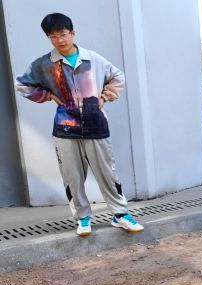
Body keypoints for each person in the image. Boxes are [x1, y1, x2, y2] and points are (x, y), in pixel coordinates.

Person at [15, 13, 143, 237]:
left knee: (107, 172)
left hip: (96, 124)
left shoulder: (93, 59)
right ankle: (83, 218)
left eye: (63, 34)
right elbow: (22, 84)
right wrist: (47, 95)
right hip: (65, 127)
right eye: (53, 36)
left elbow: (117, 77)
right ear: (49, 38)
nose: (60, 40)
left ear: (72, 33)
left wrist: (105, 96)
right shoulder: (45, 64)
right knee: (72, 175)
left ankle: (120, 214)